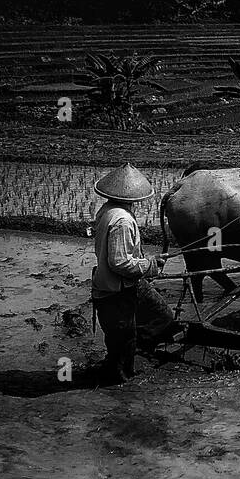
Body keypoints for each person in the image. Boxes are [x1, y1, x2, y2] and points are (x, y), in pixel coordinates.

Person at [91, 163, 176, 383]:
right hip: (117, 289)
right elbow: (120, 262)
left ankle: (139, 350)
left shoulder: (107, 210)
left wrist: (147, 262)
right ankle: (120, 385)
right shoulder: (122, 220)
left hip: (126, 283)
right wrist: (150, 265)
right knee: (122, 341)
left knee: (162, 317)